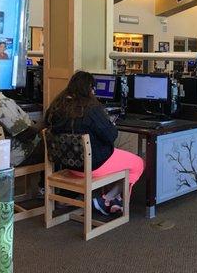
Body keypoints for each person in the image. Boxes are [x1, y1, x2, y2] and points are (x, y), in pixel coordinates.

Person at [46, 71, 144, 215]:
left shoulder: (57, 107)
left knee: (116, 155)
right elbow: (111, 136)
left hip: (67, 165)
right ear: (89, 89)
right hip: (92, 166)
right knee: (138, 163)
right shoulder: (92, 109)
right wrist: (109, 123)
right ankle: (106, 199)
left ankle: (110, 200)